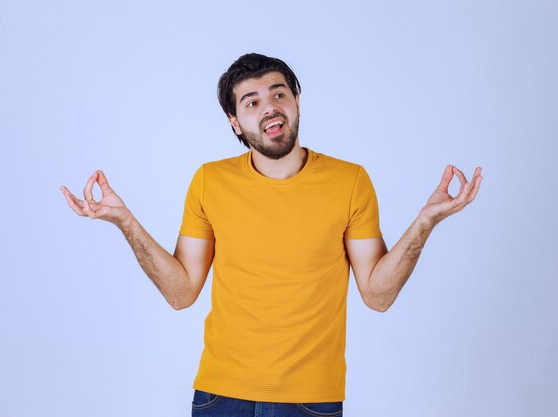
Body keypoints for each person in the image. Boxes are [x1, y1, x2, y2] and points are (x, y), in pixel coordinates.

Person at [60, 53, 482, 417]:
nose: (270, 107)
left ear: (297, 102)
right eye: (252, 101)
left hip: (311, 400)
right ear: (234, 122)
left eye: (279, 94)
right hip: (220, 397)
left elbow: (377, 294)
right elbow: (181, 292)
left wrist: (425, 221)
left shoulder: (349, 181)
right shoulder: (210, 181)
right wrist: (125, 222)